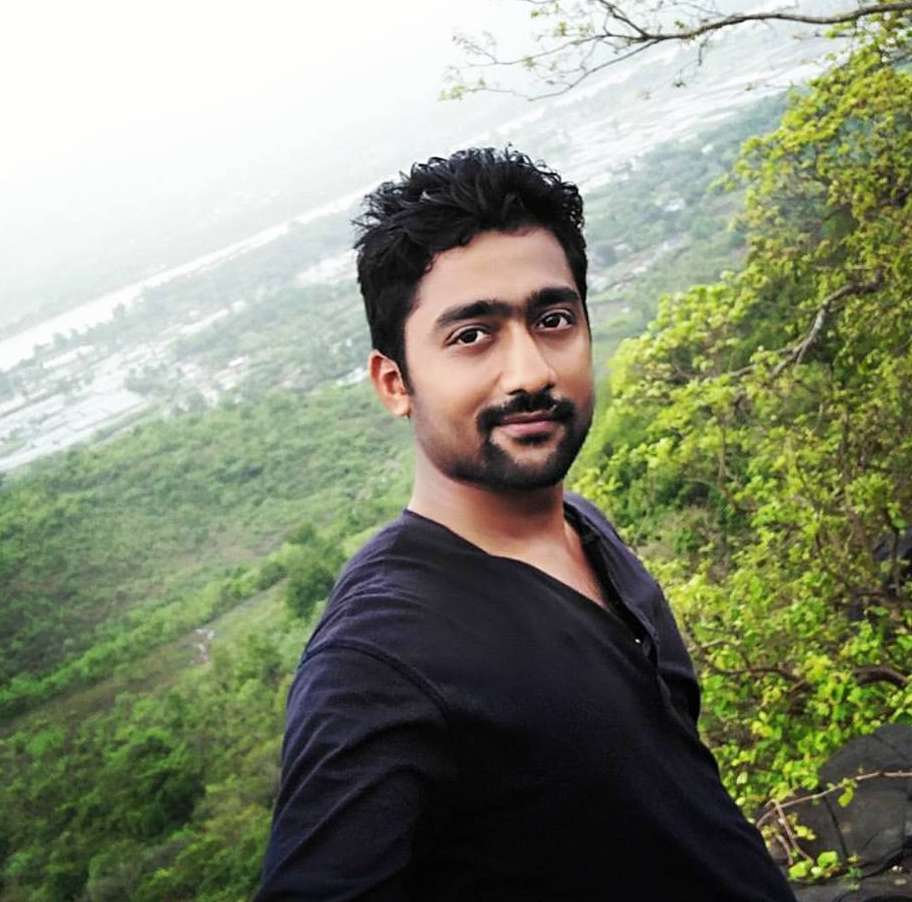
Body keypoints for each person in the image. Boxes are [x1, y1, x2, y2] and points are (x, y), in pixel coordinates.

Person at [255, 149, 795, 901]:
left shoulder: (583, 527)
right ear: (395, 383)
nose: (532, 371)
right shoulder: (381, 656)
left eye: (553, 320)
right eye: (472, 335)